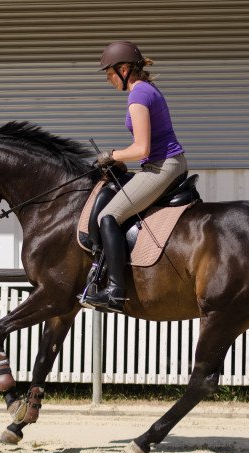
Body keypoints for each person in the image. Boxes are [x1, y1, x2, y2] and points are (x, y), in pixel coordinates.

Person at [83, 40, 187, 313]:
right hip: (160, 163)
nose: (108, 79)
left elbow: (142, 148)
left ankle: (115, 291)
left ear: (125, 69)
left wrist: (112, 154)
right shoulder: (147, 90)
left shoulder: (138, 95)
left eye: (109, 72)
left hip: (161, 166)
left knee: (109, 216)